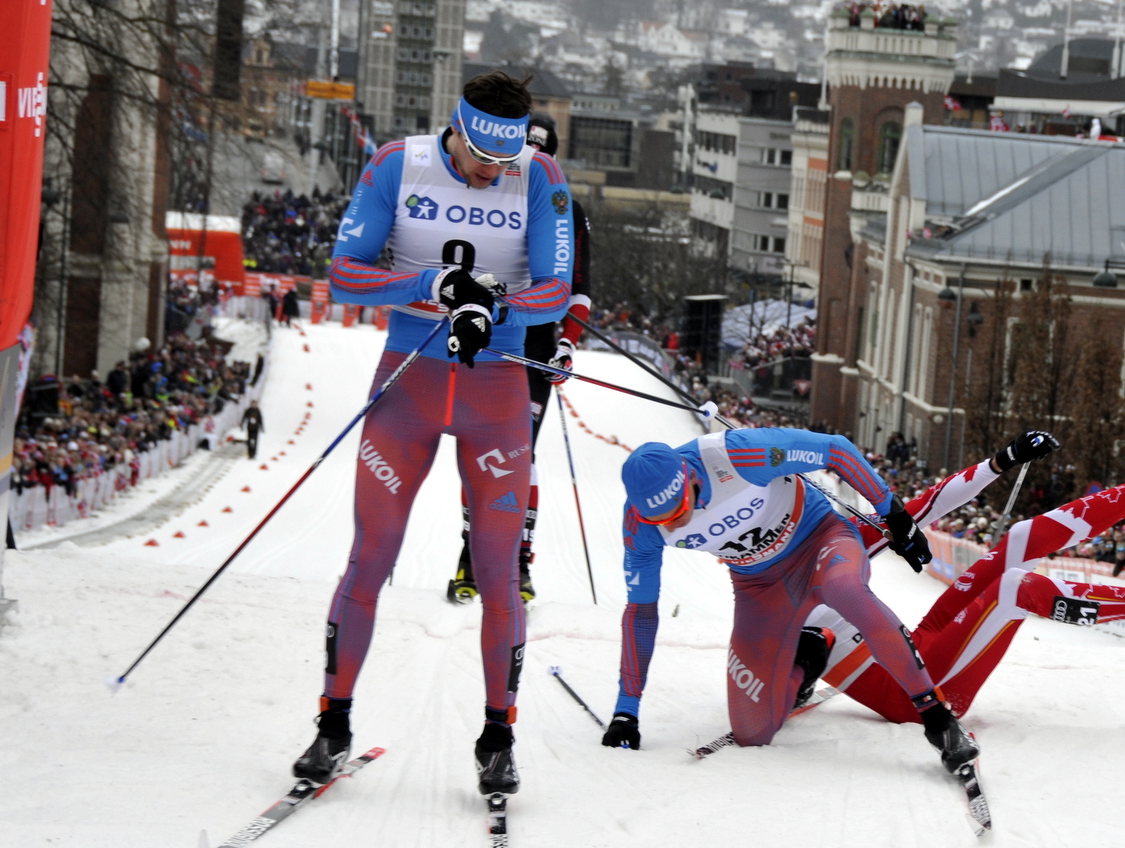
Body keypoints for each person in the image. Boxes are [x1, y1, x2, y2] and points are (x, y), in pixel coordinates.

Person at [298, 71, 574, 800]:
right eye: (483, 161)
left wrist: (495, 301)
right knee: (369, 558)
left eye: (503, 163)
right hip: (409, 382)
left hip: (495, 392)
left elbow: (556, 284)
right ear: (457, 131)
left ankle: (497, 735)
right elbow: (345, 276)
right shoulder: (399, 163)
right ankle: (332, 724)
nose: (493, 174)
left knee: (496, 573)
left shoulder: (537, 175)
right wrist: (429, 289)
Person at [787, 425, 1125, 726]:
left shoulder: (840, 540)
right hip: (918, 692)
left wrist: (1005, 458)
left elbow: (933, 502)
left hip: (920, 644)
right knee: (1013, 590)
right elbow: (794, 653)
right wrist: (799, 674)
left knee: (1020, 538)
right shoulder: (780, 584)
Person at [611, 425, 983, 776]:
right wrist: (626, 712)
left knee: (845, 589)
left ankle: (937, 718)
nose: (673, 525)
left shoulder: (737, 455)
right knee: (751, 731)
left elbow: (836, 450)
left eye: (678, 512)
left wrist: (895, 515)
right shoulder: (640, 525)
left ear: (690, 478)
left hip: (821, 541)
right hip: (759, 585)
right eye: (660, 520)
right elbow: (641, 612)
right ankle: (809, 655)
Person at [447, 112, 591, 605]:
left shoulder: (565, 205)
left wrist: (568, 342)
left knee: (517, 455)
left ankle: (516, 564)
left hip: (534, 348)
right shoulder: (483, 192)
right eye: (525, 150)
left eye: (543, 152)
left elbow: (580, 288)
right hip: (481, 341)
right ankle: (472, 556)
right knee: (479, 455)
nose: (533, 160)